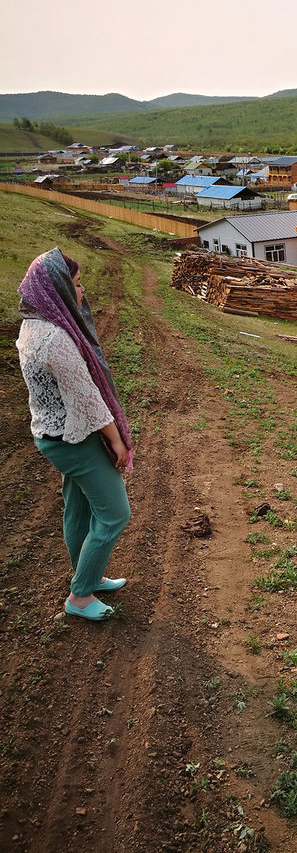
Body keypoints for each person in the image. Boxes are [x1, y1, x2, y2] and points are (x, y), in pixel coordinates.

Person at [16, 247, 133, 622]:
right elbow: (88, 398)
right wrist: (117, 441)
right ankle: (80, 596)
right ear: (58, 289)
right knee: (115, 513)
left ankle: (90, 574)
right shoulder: (55, 339)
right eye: (77, 285)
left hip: (52, 435)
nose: (82, 292)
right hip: (73, 437)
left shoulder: (32, 325)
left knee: (79, 505)